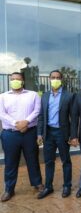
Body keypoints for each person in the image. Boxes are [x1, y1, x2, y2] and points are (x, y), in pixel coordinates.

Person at [0, 72, 43, 202]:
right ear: (10, 81)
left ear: (22, 81)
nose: (15, 81)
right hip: (10, 134)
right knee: (10, 162)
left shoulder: (33, 95)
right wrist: (16, 124)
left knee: (33, 160)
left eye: (17, 79)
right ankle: (9, 189)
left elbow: (37, 111)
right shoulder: (2, 96)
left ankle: (37, 183)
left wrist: (26, 122)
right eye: (12, 79)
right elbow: (1, 113)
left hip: (29, 133)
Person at [37, 70, 74, 199]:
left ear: (61, 79)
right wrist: (39, 134)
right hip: (48, 133)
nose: (55, 79)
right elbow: (41, 116)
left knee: (65, 161)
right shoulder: (45, 96)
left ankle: (67, 186)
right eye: (53, 77)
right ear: (49, 79)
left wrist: (73, 135)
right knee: (48, 161)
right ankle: (48, 187)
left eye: (58, 77)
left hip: (62, 133)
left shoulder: (69, 96)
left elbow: (73, 118)